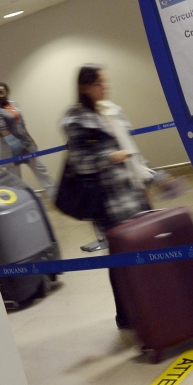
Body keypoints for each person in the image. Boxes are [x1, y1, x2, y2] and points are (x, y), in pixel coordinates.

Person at [59, 65, 151, 329]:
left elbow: (130, 148)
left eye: (105, 83)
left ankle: (149, 305)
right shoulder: (76, 120)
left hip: (132, 193)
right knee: (120, 259)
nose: (105, 88)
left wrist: (143, 178)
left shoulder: (111, 111)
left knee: (144, 251)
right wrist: (109, 157)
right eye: (100, 84)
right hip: (108, 202)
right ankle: (125, 315)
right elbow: (81, 163)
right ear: (84, 87)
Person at [0, 82, 54, 195]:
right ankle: (22, 202)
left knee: (41, 170)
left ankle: (54, 196)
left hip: (27, 145)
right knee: (16, 180)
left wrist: (31, 139)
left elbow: (22, 124)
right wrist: (17, 145)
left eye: (1, 92)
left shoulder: (15, 104)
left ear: (7, 92)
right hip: (11, 149)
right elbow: (3, 130)